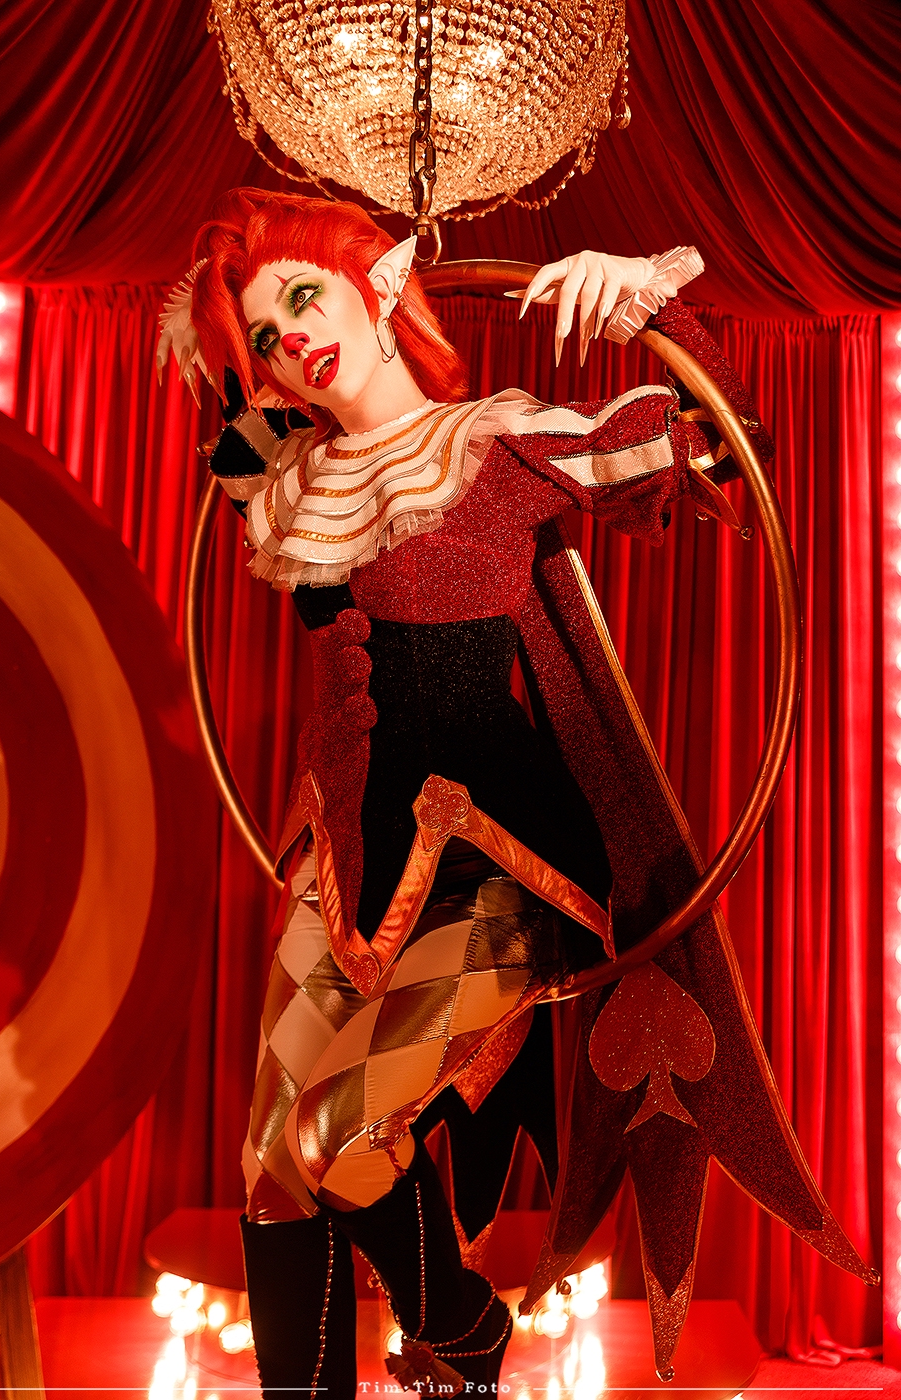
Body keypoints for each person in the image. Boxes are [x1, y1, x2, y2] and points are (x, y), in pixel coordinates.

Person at [158, 188, 872, 1397]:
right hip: (337, 862)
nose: (292, 338)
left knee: (338, 1136)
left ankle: (467, 1326)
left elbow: (719, 453)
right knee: (271, 1165)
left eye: (306, 296)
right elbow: (222, 398)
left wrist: (651, 308)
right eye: (270, 335)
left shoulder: (496, 442)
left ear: (381, 284)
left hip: (491, 861)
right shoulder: (286, 477)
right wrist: (217, 324)